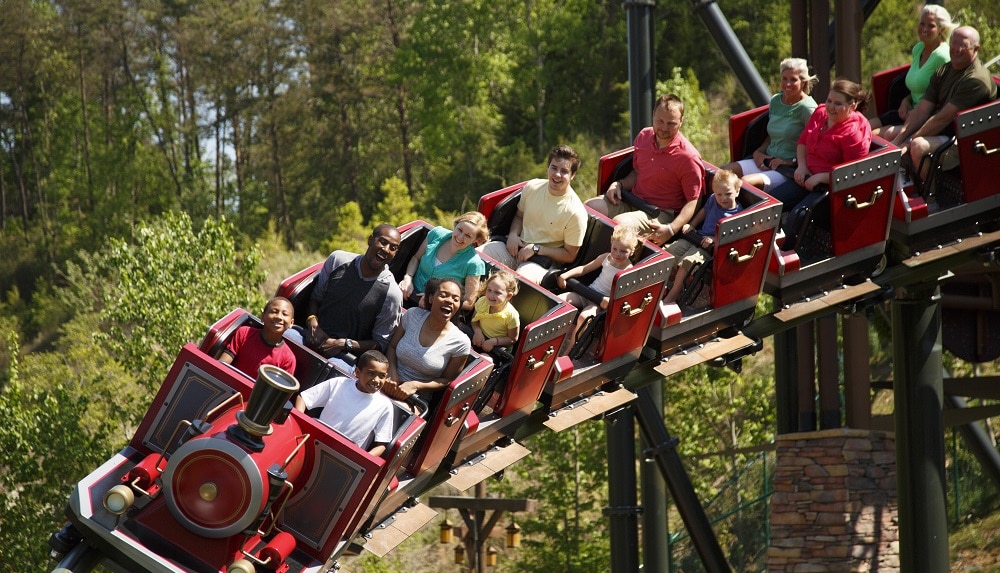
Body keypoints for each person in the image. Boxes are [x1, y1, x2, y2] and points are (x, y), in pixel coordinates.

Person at [585, 94, 704, 245]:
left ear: (681, 121)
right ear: (653, 114)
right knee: (589, 208)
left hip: (660, 213)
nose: (664, 128)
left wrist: (671, 229)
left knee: (619, 225)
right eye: (660, 121)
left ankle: (607, 265)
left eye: (671, 123)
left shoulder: (688, 157)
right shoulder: (644, 137)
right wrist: (619, 184)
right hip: (633, 200)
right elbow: (637, 172)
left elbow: (694, 200)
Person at [888, 26, 997, 182]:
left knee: (918, 146)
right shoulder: (944, 70)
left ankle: (931, 196)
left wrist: (909, 142)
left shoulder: (976, 80)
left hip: (964, 140)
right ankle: (908, 183)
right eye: (954, 43)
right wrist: (898, 141)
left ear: (976, 49)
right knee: (891, 135)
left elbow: (943, 119)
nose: (957, 49)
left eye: (963, 45)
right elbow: (922, 110)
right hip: (944, 131)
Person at [291, 224, 403, 373]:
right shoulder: (338, 260)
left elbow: (380, 343)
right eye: (382, 242)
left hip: (343, 357)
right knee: (285, 336)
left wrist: (343, 344)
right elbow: (315, 297)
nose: (386, 249)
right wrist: (312, 322)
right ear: (370, 240)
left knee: (335, 373)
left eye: (393, 248)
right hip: (310, 336)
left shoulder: (392, 294)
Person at [479, 145, 588, 284]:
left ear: (572, 176)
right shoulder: (532, 187)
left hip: (541, 262)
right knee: (476, 258)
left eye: (564, 171)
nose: (557, 175)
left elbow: (570, 255)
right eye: (554, 168)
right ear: (548, 168)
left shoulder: (576, 212)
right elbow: (519, 216)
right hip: (515, 248)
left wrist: (536, 249)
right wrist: (513, 234)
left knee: (517, 283)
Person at [769, 78, 872, 215]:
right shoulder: (820, 113)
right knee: (771, 203)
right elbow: (803, 142)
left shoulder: (854, 133)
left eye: (838, 104)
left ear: (852, 106)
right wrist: (802, 166)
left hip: (830, 188)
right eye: (829, 101)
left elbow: (852, 173)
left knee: (798, 215)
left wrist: (822, 177)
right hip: (805, 175)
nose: (831, 107)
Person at [722, 58, 818, 192]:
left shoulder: (808, 109)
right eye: (784, 79)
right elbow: (772, 135)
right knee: (722, 175)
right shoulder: (776, 101)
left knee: (746, 184)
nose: (787, 84)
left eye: (793, 80)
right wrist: (759, 152)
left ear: (803, 82)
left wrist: (791, 161)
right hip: (768, 160)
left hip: (788, 169)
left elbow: (815, 145)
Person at [294, 350, 395, 457]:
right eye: (371, 373)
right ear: (357, 372)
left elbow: (382, 444)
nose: (376, 380)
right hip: (313, 441)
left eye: (382, 376)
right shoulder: (339, 383)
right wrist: (301, 426)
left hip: (344, 458)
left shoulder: (384, 405)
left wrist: (363, 458)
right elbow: (303, 398)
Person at [871, 4, 955, 132]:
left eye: (931, 26)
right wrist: (906, 101)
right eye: (922, 24)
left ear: (941, 30)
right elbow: (918, 87)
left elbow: (946, 100)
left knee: (874, 136)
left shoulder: (943, 57)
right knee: (865, 126)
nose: (924, 29)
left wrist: (918, 112)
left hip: (926, 119)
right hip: (908, 112)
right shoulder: (918, 48)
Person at [664, 170, 743, 303]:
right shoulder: (713, 199)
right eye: (719, 194)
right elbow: (704, 212)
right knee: (671, 251)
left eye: (728, 194)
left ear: (737, 191)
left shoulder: (737, 214)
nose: (723, 198)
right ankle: (667, 285)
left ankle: (674, 293)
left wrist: (714, 239)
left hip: (709, 247)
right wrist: (692, 225)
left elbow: (731, 237)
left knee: (688, 261)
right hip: (698, 237)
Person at [555, 224, 640, 350]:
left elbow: (625, 297)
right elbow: (584, 269)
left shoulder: (628, 272)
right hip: (588, 293)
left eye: (623, 251)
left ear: (632, 252)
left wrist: (610, 302)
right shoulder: (606, 257)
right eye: (614, 249)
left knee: (584, 317)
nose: (617, 254)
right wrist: (565, 275)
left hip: (599, 302)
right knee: (559, 301)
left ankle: (568, 351)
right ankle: (554, 339)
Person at [388, 277, 472, 402]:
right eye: (444, 295)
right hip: (388, 382)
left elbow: (447, 380)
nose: (449, 301)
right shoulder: (412, 315)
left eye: (455, 299)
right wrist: (391, 372)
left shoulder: (461, 342)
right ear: (431, 298)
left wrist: (416, 385)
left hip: (415, 398)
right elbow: (392, 347)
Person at [399, 212, 489, 311]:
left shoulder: (474, 264)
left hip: (435, 310)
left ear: (475, 240)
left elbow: (469, 302)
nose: (460, 237)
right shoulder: (436, 234)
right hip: (408, 294)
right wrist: (408, 278)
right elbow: (416, 258)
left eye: (468, 236)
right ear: (456, 225)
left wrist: (436, 298)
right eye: (459, 230)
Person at [218, 297, 297, 378]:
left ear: (291, 323)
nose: (279, 317)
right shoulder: (244, 333)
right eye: (274, 312)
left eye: (285, 314)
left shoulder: (288, 359)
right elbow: (222, 365)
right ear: (262, 316)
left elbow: (280, 389)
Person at [470, 270, 521, 354]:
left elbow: (512, 339)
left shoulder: (511, 315)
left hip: (498, 349)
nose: (491, 295)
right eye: (489, 290)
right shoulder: (482, 301)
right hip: (479, 338)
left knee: (485, 360)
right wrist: (477, 331)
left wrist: (494, 342)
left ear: (508, 296)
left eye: (497, 292)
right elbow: (474, 320)